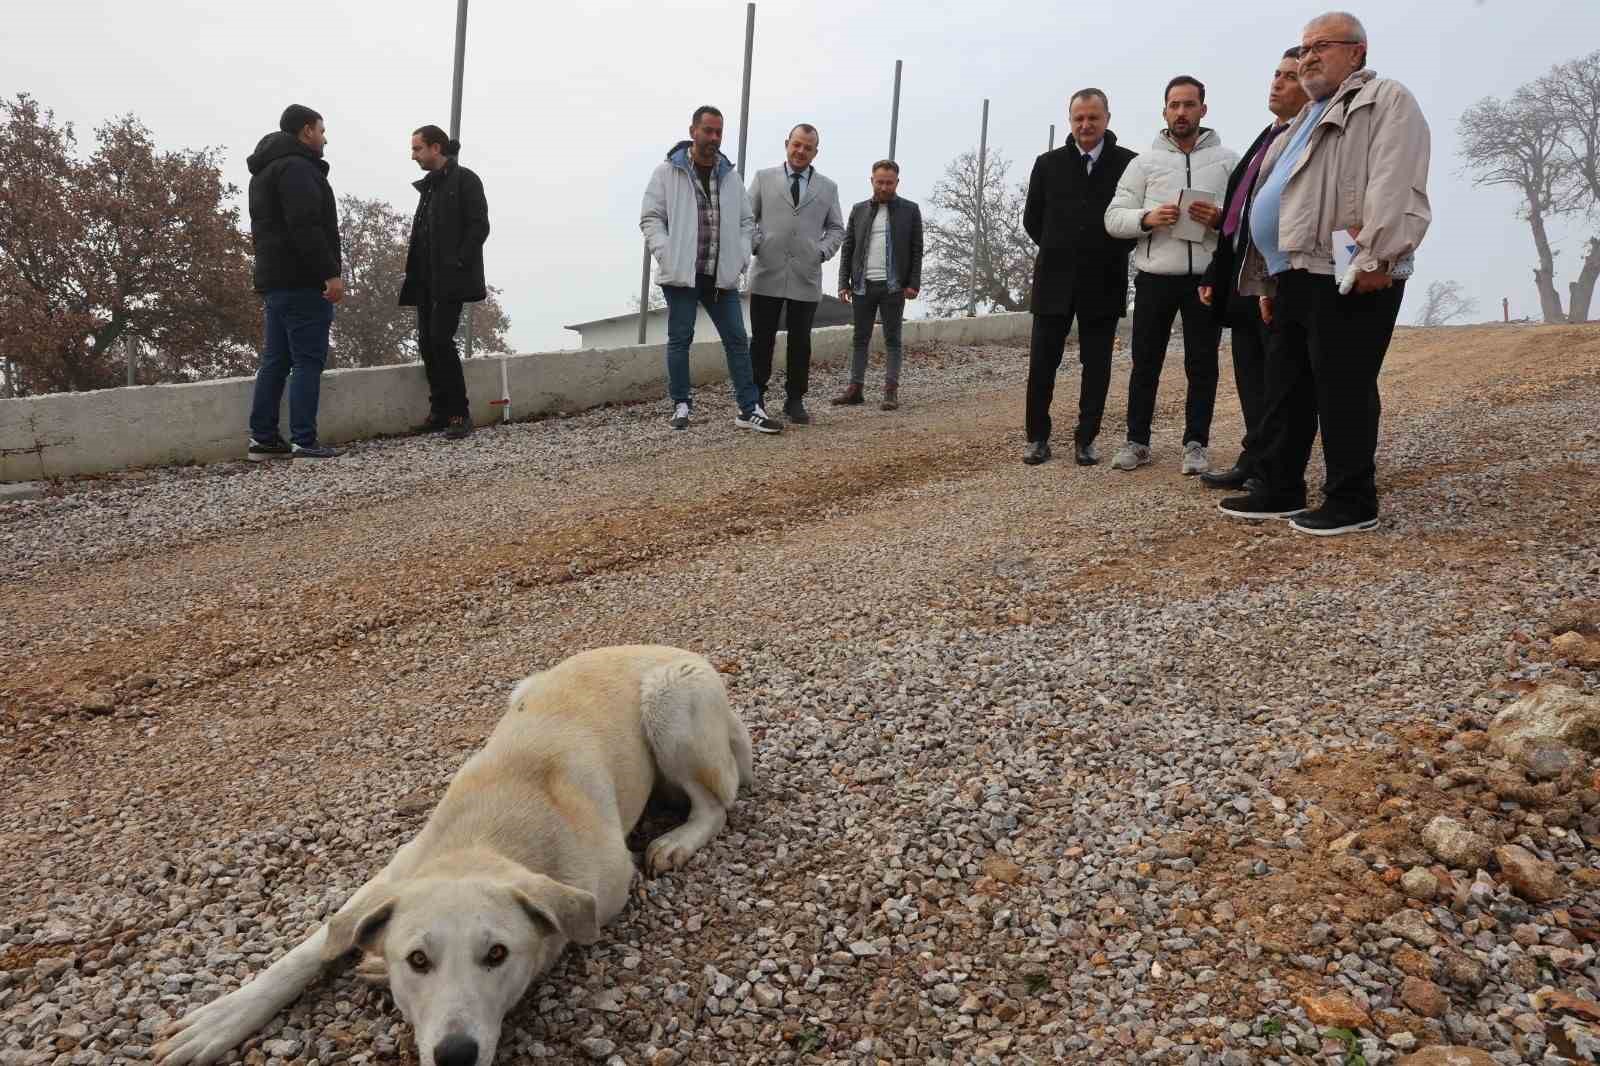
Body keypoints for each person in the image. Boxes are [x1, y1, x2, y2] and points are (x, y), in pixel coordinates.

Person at [1219, 11, 1430, 535]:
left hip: (1348, 269)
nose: (1308, 55)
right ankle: (1279, 487)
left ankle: (1352, 500)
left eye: (1322, 46)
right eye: (1303, 47)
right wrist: (1268, 274)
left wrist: (1377, 256)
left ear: (1357, 51)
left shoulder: (1385, 99)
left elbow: (1395, 180)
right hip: (1293, 270)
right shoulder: (1309, 113)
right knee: (1287, 387)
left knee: (1343, 386)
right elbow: (1283, 197)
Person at [1104, 77, 1238, 474]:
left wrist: (1218, 220)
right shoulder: (1142, 163)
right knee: (1145, 362)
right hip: (1154, 277)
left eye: (1189, 104)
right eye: (1174, 105)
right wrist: (1147, 218)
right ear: (1164, 111)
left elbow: (1243, 220)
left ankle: (1196, 444)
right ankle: (1137, 441)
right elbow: (1113, 218)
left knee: (1202, 364)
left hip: (1205, 279)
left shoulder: (1228, 161)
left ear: (1203, 109)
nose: (1182, 112)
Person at [1196, 49, 1310, 490]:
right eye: (1276, 74)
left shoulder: (1307, 137)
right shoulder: (1267, 136)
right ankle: (1254, 458)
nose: (1276, 83)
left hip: (1281, 279)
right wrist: (1214, 272)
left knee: (1282, 381)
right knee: (1250, 375)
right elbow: (1239, 215)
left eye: (1290, 77)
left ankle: (1277, 470)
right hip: (1244, 281)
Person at [640, 106, 781, 434]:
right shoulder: (667, 172)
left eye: (719, 132)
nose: (714, 138)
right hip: (683, 275)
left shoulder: (730, 176)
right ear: (693, 131)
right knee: (680, 339)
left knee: (736, 339)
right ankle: (681, 403)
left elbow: (747, 221)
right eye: (708, 131)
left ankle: (750, 409)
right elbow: (651, 218)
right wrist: (667, 253)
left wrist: (741, 254)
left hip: (720, 276)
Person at [1021, 88, 1138, 466]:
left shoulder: (1129, 164)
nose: (1086, 125)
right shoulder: (1047, 163)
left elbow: (1134, 221)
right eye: (1079, 118)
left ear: (1107, 118)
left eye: (1093, 117)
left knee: (1097, 364)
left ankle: (1086, 439)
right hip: (1054, 280)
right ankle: (1037, 438)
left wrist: (1104, 254)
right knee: (1042, 363)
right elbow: (1032, 218)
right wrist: (1061, 249)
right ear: (1070, 120)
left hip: (1104, 281)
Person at [244, 104, 344, 460]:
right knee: (307, 361)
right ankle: (304, 439)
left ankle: (264, 439)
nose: (324, 137)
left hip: (274, 280)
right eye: (321, 129)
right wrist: (329, 273)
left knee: (275, 361)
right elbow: (305, 226)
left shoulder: (264, 172)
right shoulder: (298, 169)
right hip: (304, 281)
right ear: (306, 131)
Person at [747, 124, 846, 424]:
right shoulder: (764, 179)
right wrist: (757, 244)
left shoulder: (827, 188)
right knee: (762, 339)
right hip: (767, 272)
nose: (801, 151)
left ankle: (795, 399)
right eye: (797, 145)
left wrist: (820, 253)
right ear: (787, 144)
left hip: (806, 276)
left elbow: (836, 228)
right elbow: (746, 218)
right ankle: (756, 396)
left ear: (816, 152)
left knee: (800, 341)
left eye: (808, 148)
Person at [400, 124, 491, 441]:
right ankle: (439, 411)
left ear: (435, 148)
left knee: (440, 340)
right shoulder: (429, 187)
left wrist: (457, 263)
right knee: (427, 342)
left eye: (417, 149)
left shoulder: (465, 180)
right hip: (425, 279)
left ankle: (459, 413)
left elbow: (479, 227)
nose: (413, 156)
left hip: (451, 279)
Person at [833, 161, 924, 411]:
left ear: (897, 182)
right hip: (862, 285)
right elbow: (848, 248)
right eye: (880, 181)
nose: (884, 187)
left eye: (889, 182)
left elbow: (917, 249)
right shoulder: (858, 210)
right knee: (859, 338)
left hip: (894, 286)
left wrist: (913, 283)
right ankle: (855, 389)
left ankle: (890, 391)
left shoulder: (910, 210)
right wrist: (844, 283)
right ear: (871, 180)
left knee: (892, 339)